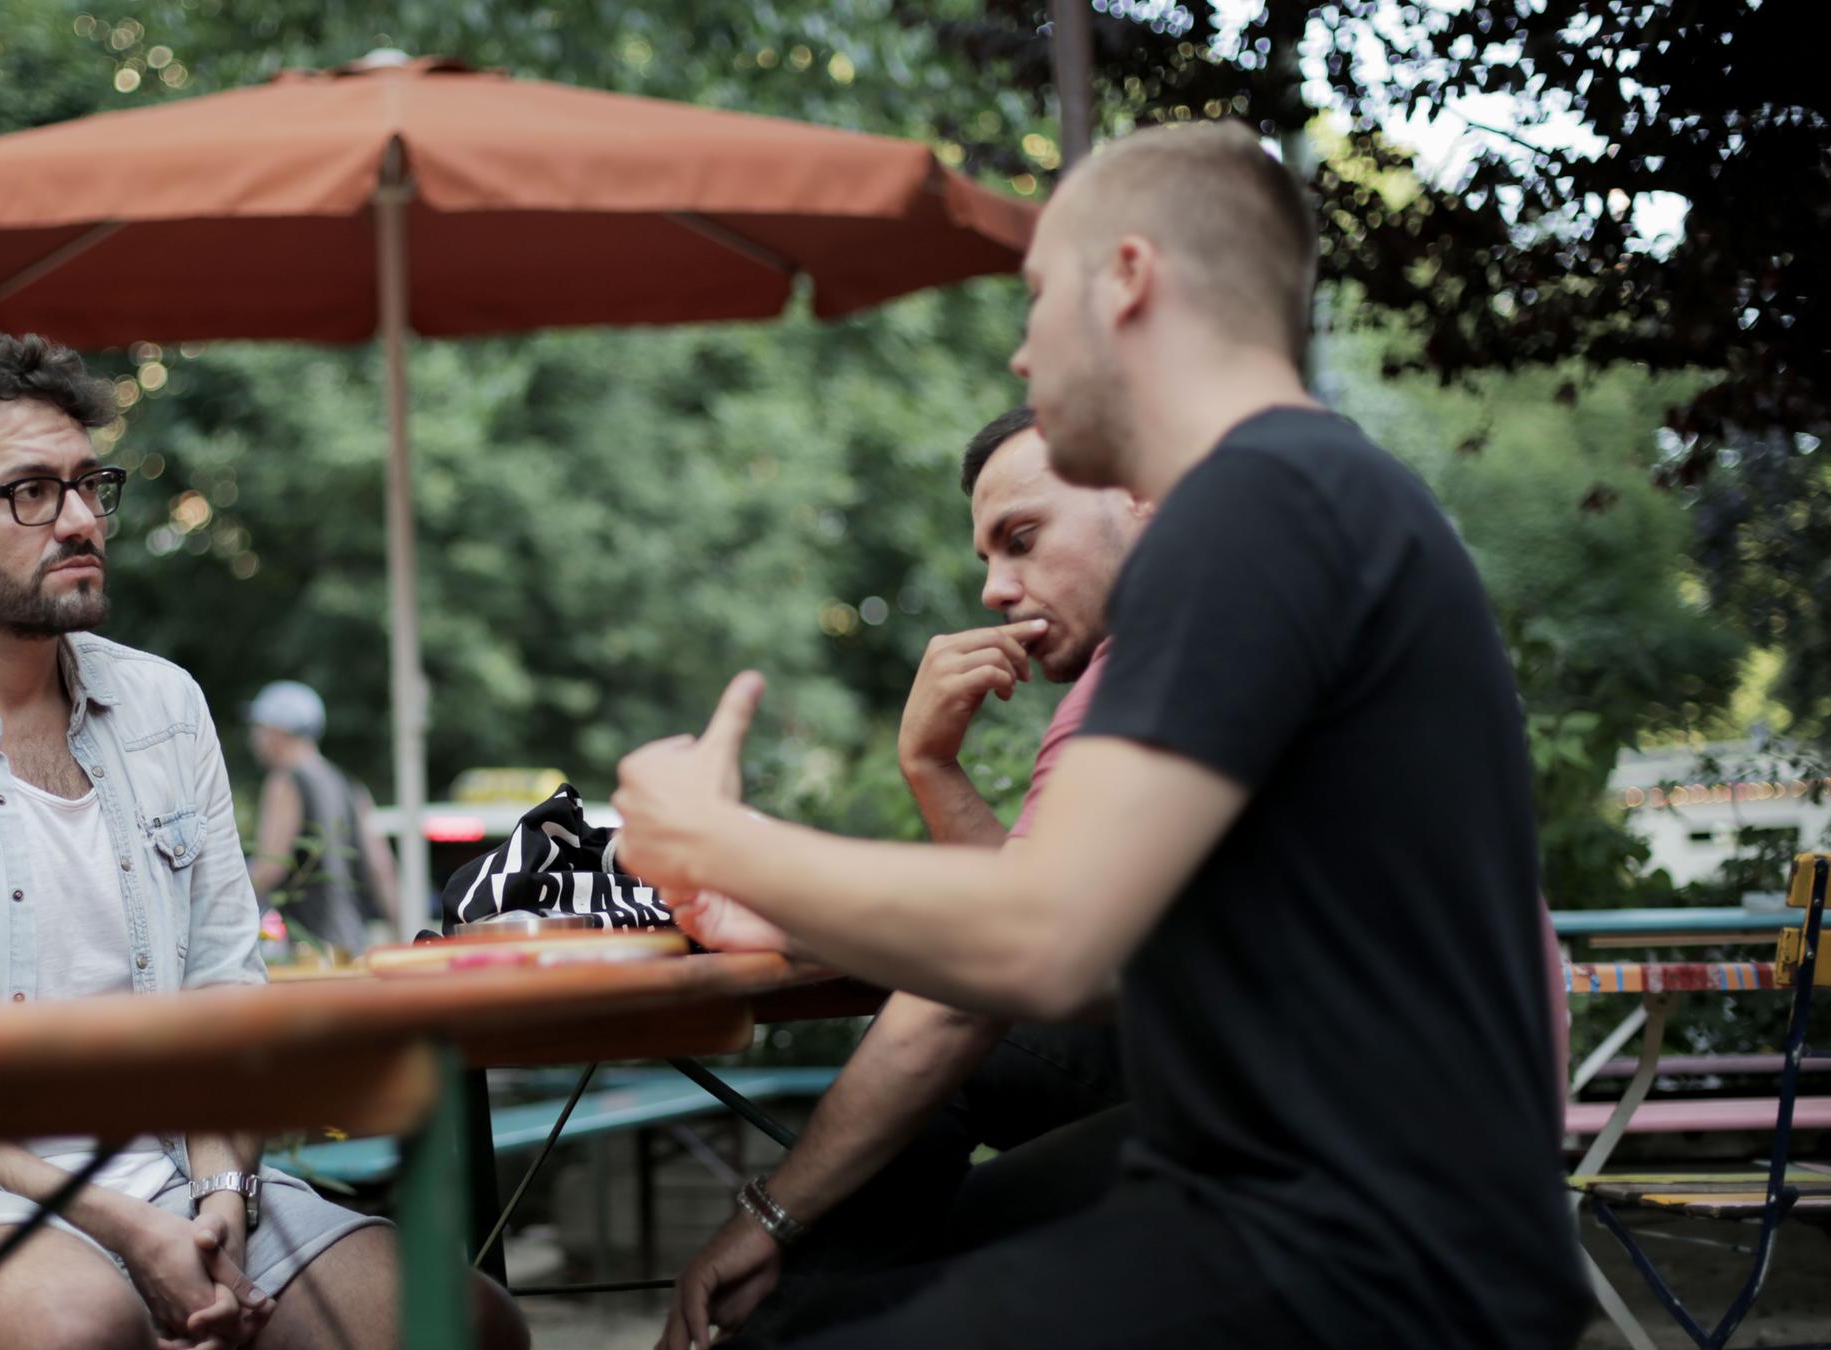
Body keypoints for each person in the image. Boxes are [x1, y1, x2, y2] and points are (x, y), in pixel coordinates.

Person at [615, 122, 1588, 1349]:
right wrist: (790, 893)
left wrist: (715, 841)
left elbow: (1043, 945)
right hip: (1325, 1211)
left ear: (1127, 279)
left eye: (1031, 303)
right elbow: (1065, 910)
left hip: (1359, 1253)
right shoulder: (1310, 496)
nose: (1023, 351)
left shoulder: (1259, 506)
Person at [0, 332, 521, 1350]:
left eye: (85, 484)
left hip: (173, 1170)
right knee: (81, 1325)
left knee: (461, 1324)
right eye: (28, 491)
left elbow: (223, 1006)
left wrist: (222, 1201)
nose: (76, 520)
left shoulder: (161, 707)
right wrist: (117, 1225)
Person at [660, 407, 1149, 1349]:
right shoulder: (1184, 631)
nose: (999, 590)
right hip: (1310, 1084)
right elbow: (1020, 933)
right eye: (987, 561)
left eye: (1024, 538)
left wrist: (766, 1214)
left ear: (1139, 491)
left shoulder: (1159, 659)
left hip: (1350, 1149)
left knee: (871, 1292)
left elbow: (982, 976)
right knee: (985, 1073)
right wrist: (931, 768)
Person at [244, 680, 400, 956]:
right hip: (354, 945)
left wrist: (226, 914)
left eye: (259, 727)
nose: (254, 737)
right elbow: (382, 870)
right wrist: (403, 933)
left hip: (309, 949)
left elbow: (270, 867)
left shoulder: (285, 782)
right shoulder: (350, 785)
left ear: (277, 731)